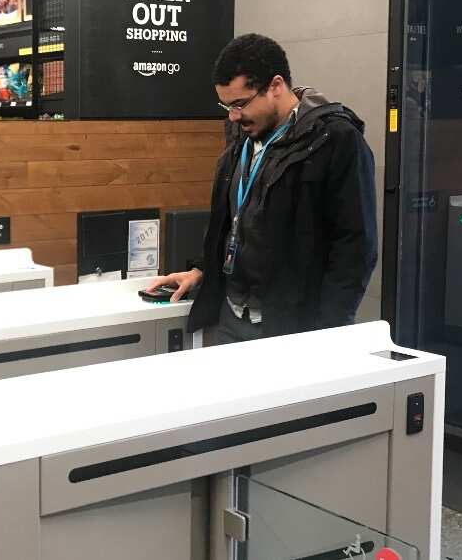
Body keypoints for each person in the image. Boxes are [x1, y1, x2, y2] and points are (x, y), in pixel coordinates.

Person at [147, 33, 378, 343]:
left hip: (292, 328)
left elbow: (355, 249)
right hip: (230, 316)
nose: (233, 115)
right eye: (226, 105)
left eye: (240, 104)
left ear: (275, 86)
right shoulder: (241, 138)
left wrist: (328, 335)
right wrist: (203, 269)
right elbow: (232, 222)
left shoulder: (336, 141)